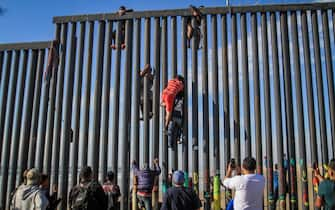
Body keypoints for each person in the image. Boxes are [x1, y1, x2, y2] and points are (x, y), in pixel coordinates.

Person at [161, 75, 184, 148]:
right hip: (170, 97)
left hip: (165, 93)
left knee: (171, 129)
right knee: (180, 127)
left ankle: (170, 144)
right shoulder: (180, 84)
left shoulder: (171, 81)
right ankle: (166, 128)